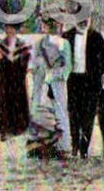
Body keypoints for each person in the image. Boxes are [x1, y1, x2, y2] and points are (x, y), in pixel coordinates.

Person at [63, 13, 104, 158]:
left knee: (88, 114)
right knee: (73, 114)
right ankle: (74, 146)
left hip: (91, 82)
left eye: (85, 19)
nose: (83, 22)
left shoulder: (96, 37)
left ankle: (84, 148)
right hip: (73, 80)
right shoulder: (66, 36)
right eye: (79, 19)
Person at [26, 9, 72, 159]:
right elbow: (33, 63)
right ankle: (41, 144)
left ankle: (62, 146)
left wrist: (60, 76)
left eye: (53, 24)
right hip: (42, 82)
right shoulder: (40, 43)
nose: (51, 27)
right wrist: (34, 71)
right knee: (41, 110)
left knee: (59, 111)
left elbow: (68, 65)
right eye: (48, 24)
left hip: (57, 83)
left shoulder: (64, 43)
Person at [0, 23, 32, 140]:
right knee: (3, 101)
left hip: (18, 78)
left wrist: (20, 68)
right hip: (5, 78)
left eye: (11, 28)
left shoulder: (23, 45)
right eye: (7, 28)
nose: (9, 30)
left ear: (16, 29)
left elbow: (26, 61)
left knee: (17, 101)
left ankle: (17, 128)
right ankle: (4, 129)